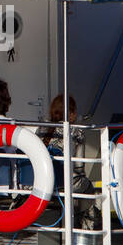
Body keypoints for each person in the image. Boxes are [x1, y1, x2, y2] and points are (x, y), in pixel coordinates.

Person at [39, 93, 101, 230]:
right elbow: (79, 167)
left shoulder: (41, 128)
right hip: (63, 183)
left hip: (42, 182)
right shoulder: (77, 132)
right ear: (71, 113)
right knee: (87, 186)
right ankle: (87, 229)